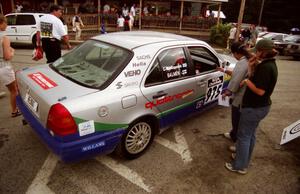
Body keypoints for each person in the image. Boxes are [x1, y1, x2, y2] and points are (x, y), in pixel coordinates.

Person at [225, 39, 278, 174]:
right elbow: (255, 78)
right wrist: (250, 66)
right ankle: (243, 160)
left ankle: (239, 166)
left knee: (243, 136)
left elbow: (260, 91)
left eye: (257, 51)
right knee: (250, 135)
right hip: (260, 107)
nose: (255, 54)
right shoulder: (268, 64)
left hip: (254, 108)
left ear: (263, 52)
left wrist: (247, 81)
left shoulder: (266, 67)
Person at [217, 42, 253, 151]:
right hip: (245, 96)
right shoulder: (248, 59)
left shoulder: (243, 62)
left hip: (241, 98)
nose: (233, 56)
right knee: (238, 119)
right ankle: (233, 134)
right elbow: (236, 74)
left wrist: (227, 92)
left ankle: (237, 142)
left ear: (237, 53)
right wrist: (223, 70)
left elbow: (236, 79)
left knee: (237, 119)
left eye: (233, 54)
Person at [0, 15, 21, 117]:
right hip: (4, 67)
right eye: (6, 23)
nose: (7, 25)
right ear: (1, 24)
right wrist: (12, 52)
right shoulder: (4, 37)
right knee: (14, 90)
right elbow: (7, 57)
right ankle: (14, 110)